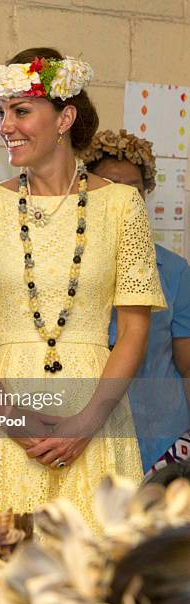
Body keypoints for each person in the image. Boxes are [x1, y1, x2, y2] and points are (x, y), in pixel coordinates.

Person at [0, 47, 166, 529]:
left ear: (65, 117)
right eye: (2, 112)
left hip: (96, 406)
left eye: (21, 111)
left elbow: (134, 330)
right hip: (4, 408)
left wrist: (87, 423)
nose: (6, 125)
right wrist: (12, 419)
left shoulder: (122, 206)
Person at [82, 130, 190, 475]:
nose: (124, 199)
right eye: (110, 187)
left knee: (159, 530)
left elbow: (187, 366)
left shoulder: (173, 271)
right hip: (82, 439)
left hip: (161, 440)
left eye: (135, 190)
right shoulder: (55, 264)